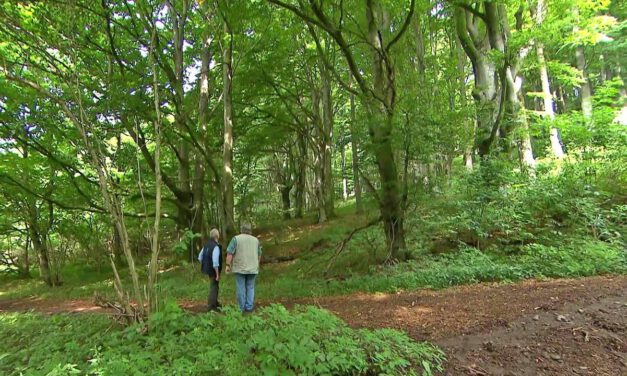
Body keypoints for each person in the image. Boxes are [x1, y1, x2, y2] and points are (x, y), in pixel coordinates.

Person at [225, 222, 262, 313]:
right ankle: (249, 307)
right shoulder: (256, 240)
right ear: (250, 230)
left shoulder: (236, 239)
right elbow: (259, 254)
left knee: (241, 287)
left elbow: (230, 253)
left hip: (240, 268)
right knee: (250, 287)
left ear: (241, 229)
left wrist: (227, 265)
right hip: (253, 268)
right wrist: (257, 264)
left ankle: (241, 308)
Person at [198, 228, 223, 312]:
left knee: (215, 285)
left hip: (207, 269)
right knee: (214, 287)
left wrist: (205, 264)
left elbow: (200, 257)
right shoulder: (216, 246)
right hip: (213, 270)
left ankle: (215, 302)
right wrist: (217, 274)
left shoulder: (206, 245)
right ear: (217, 236)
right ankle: (211, 306)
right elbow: (215, 262)